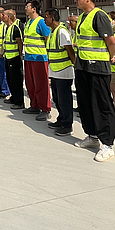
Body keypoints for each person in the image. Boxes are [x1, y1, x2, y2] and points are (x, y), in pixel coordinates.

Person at [72, 0, 115, 162]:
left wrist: (110, 56)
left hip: (97, 67)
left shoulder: (99, 15)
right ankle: (92, 136)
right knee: (85, 103)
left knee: (102, 104)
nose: (76, 0)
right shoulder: (83, 17)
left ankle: (107, 144)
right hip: (83, 66)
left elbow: (111, 41)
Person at [43, 8, 76, 136]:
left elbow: (70, 50)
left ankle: (67, 125)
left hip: (64, 71)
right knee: (57, 98)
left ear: (52, 18)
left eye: (46, 17)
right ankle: (61, 119)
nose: (45, 19)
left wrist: (75, 65)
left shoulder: (62, 32)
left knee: (64, 100)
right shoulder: (53, 32)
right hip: (55, 70)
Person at [22, 0, 52, 121]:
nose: (26, 9)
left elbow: (48, 38)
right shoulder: (29, 22)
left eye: (27, 7)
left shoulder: (41, 22)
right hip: (29, 57)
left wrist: (49, 55)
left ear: (34, 9)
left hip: (39, 58)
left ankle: (45, 109)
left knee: (41, 84)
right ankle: (34, 105)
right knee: (30, 83)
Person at [3, 9, 25, 109]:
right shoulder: (8, 28)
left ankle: (19, 102)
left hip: (14, 58)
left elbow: (19, 42)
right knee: (10, 79)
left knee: (16, 80)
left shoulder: (15, 28)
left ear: (8, 17)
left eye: (4, 15)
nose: (3, 17)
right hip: (8, 57)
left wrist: (20, 54)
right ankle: (13, 97)